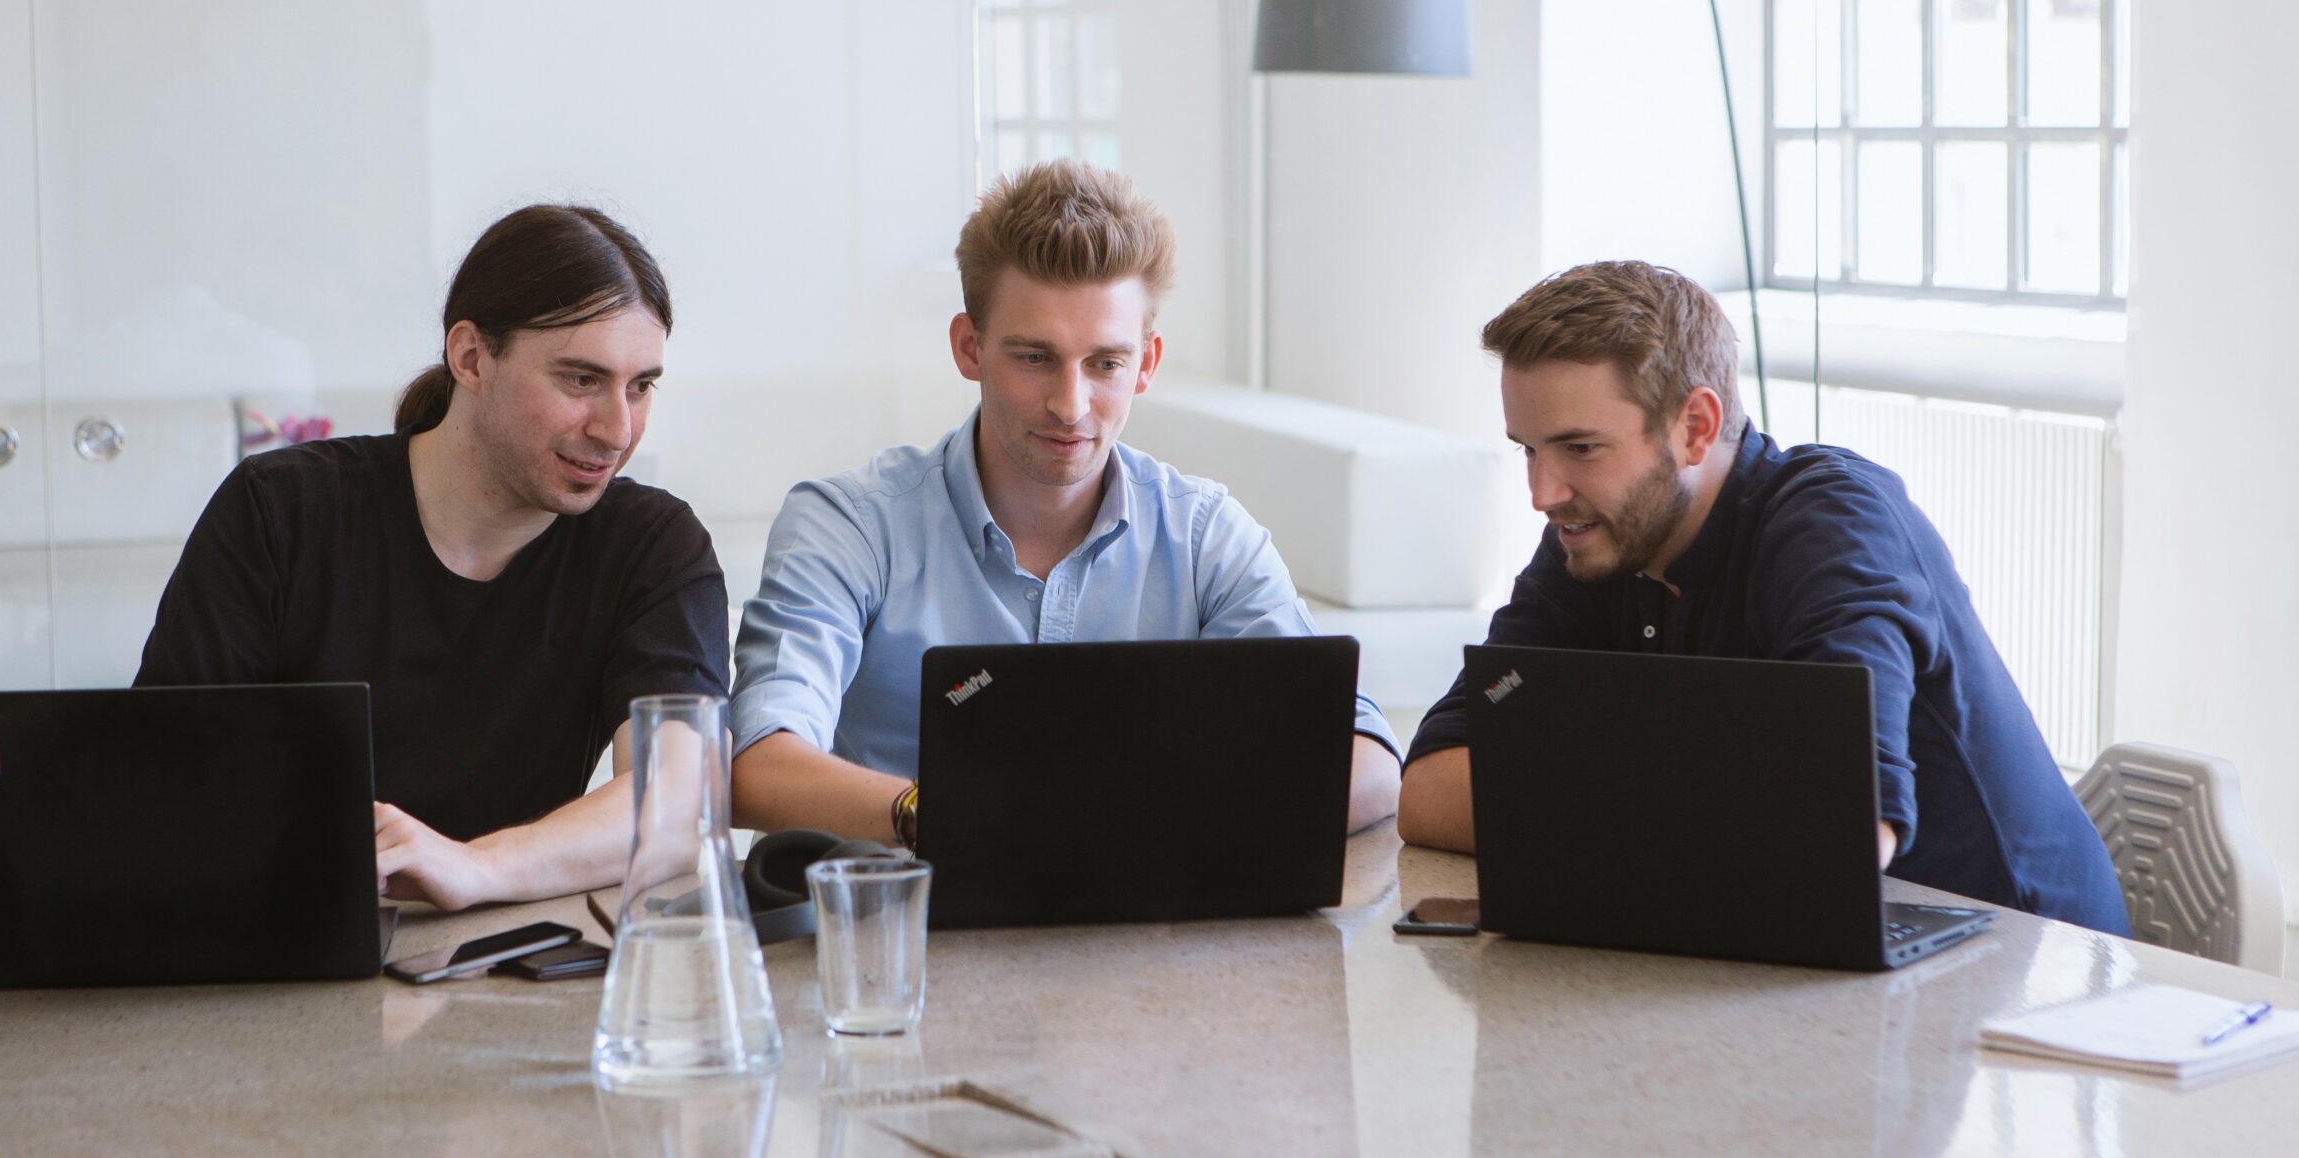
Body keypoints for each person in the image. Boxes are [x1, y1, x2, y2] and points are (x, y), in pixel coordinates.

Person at [1395, 260, 2128, 933]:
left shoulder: (1834, 523)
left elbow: (1837, 830)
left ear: (1696, 426)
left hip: (2024, 969)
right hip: (1801, 955)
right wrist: (1713, 803)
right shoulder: (1596, 536)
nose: (1542, 493)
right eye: (1528, 448)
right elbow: (1428, 788)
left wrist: (1586, 792)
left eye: (1580, 448)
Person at [730, 158, 1400, 846]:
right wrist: (957, 817)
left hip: (1148, 939)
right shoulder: (850, 525)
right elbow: (759, 765)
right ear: (970, 346)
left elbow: (1370, 761)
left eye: (1105, 363)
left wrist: (1147, 819)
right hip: (902, 935)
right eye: (1034, 357)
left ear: (1145, 364)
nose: (1070, 405)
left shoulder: (1206, 537)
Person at [135, 204, 727, 910]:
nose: (617, 428)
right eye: (580, 380)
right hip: (283, 944)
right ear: (471, 357)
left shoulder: (655, 547)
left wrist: (474, 867)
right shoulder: (279, 513)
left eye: (641, 385)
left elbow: (674, 801)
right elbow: (165, 781)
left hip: (514, 952)